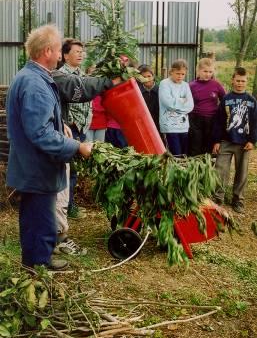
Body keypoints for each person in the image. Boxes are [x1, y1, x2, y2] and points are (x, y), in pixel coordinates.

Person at [6, 25, 119, 270]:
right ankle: (38, 266)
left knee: (37, 216)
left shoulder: (32, 76)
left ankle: (37, 260)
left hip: (33, 165)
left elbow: (40, 122)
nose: (60, 55)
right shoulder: (35, 84)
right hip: (37, 166)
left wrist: (62, 125)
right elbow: (40, 133)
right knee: (40, 217)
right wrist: (77, 147)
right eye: (58, 51)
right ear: (47, 51)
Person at [212, 67, 257, 213]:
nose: (240, 83)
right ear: (233, 80)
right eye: (237, 80)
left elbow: (255, 122)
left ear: (246, 82)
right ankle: (218, 197)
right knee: (220, 170)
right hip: (226, 141)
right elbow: (218, 121)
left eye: (243, 81)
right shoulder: (226, 99)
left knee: (242, 172)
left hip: (244, 143)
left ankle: (238, 200)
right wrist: (217, 141)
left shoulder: (251, 101)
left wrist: (252, 140)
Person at [58, 38, 92, 219]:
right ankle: (68, 206)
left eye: (82, 51)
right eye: (76, 51)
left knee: (75, 169)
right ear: (65, 55)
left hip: (82, 126)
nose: (81, 54)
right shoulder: (62, 75)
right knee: (69, 169)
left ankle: (71, 203)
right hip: (70, 127)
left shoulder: (81, 73)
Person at [188, 58, 226, 156]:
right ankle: (194, 167)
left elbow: (225, 100)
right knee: (195, 145)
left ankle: (207, 168)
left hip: (211, 120)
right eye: (205, 71)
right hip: (195, 119)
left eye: (210, 72)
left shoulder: (216, 84)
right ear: (198, 70)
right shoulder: (191, 86)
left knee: (208, 145)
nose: (207, 74)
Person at [159, 59, 194, 156]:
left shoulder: (186, 85)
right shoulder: (164, 84)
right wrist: (182, 100)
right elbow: (168, 103)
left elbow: (190, 106)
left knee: (184, 154)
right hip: (169, 126)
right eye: (178, 73)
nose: (180, 76)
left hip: (183, 127)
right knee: (175, 155)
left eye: (183, 74)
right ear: (171, 72)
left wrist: (176, 102)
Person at [137, 65, 160, 133]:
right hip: (144, 124)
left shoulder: (160, 90)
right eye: (144, 77)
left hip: (158, 124)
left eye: (149, 76)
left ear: (153, 76)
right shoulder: (138, 92)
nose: (147, 79)